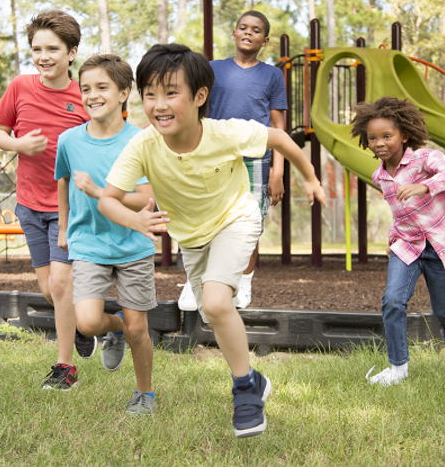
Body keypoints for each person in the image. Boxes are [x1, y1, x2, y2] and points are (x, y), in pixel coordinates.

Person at [97, 43, 326, 438]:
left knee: (219, 302)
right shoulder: (143, 145)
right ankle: (254, 380)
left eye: (171, 92)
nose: (158, 104)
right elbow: (107, 199)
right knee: (212, 313)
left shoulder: (226, 132)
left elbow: (281, 139)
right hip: (193, 238)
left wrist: (309, 176)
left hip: (236, 219)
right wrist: (135, 219)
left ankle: (244, 393)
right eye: (149, 93)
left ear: (200, 96)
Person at [0, 10, 95, 391]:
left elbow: (107, 137)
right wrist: (18, 144)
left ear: (72, 53)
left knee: (62, 283)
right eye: (37, 49)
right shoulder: (20, 86)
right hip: (29, 203)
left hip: (70, 207)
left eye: (53, 48)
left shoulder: (86, 95)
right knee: (50, 290)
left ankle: (65, 367)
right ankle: (87, 327)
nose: (43, 56)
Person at [350, 96, 445, 386]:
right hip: (407, 245)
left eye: (387, 136)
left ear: (404, 136)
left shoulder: (425, 158)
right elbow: (398, 213)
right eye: (372, 138)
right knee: (393, 301)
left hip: (439, 244)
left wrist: (425, 186)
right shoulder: (380, 176)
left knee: (443, 310)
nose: (379, 143)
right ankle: (398, 368)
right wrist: (393, 238)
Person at [56, 54, 158, 414]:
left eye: (102, 87)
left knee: (139, 329)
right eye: (86, 88)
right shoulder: (68, 140)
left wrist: (100, 191)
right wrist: (64, 226)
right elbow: (64, 181)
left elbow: (146, 200)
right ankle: (113, 330)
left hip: (133, 244)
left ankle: (144, 393)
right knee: (86, 321)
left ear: (124, 93)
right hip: (88, 243)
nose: (92, 95)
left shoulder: (141, 140)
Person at [177, 10, 287, 311]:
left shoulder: (272, 75)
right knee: (203, 217)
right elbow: (194, 107)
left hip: (255, 159)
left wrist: (278, 171)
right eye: (243, 27)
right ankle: (195, 281)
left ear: (265, 40)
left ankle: (244, 283)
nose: (248, 32)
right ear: (234, 34)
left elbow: (278, 128)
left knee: (249, 224)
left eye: (255, 29)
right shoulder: (213, 69)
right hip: (213, 158)